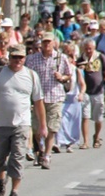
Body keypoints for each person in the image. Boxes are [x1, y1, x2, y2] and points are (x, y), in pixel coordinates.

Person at [0, 44, 45, 196]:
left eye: (20, 57)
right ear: (9, 57)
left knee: (17, 157)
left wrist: (43, 125)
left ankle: (15, 190)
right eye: (14, 57)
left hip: (21, 125)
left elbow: (39, 101)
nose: (17, 60)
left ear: (25, 58)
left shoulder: (31, 75)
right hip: (0, 124)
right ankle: (0, 179)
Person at [24, 32, 72, 170]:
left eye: (49, 42)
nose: (46, 44)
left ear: (54, 43)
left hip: (55, 96)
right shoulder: (32, 59)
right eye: (44, 42)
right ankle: (39, 149)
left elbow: (69, 75)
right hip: (38, 98)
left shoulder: (61, 58)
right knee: (36, 127)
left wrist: (62, 77)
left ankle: (47, 155)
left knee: (52, 127)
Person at [77, 38, 105, 149]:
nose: (88, 51)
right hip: (86, 92)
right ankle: (85, 141)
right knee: (85, 116)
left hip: (98, 91)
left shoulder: (100, 57)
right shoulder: (81, 58)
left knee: (98, 118)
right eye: (86, 49)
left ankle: (96, 136)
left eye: (90, 49)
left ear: (94, 48)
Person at [55, 42, 85, 153]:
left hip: (74, 100)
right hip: (63, 99)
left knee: (73, 123)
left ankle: (70, 143)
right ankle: (58, 142)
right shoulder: (59, 71)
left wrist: (81, 93)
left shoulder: (76, 70)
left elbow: (82, 84)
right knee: (61, 121)